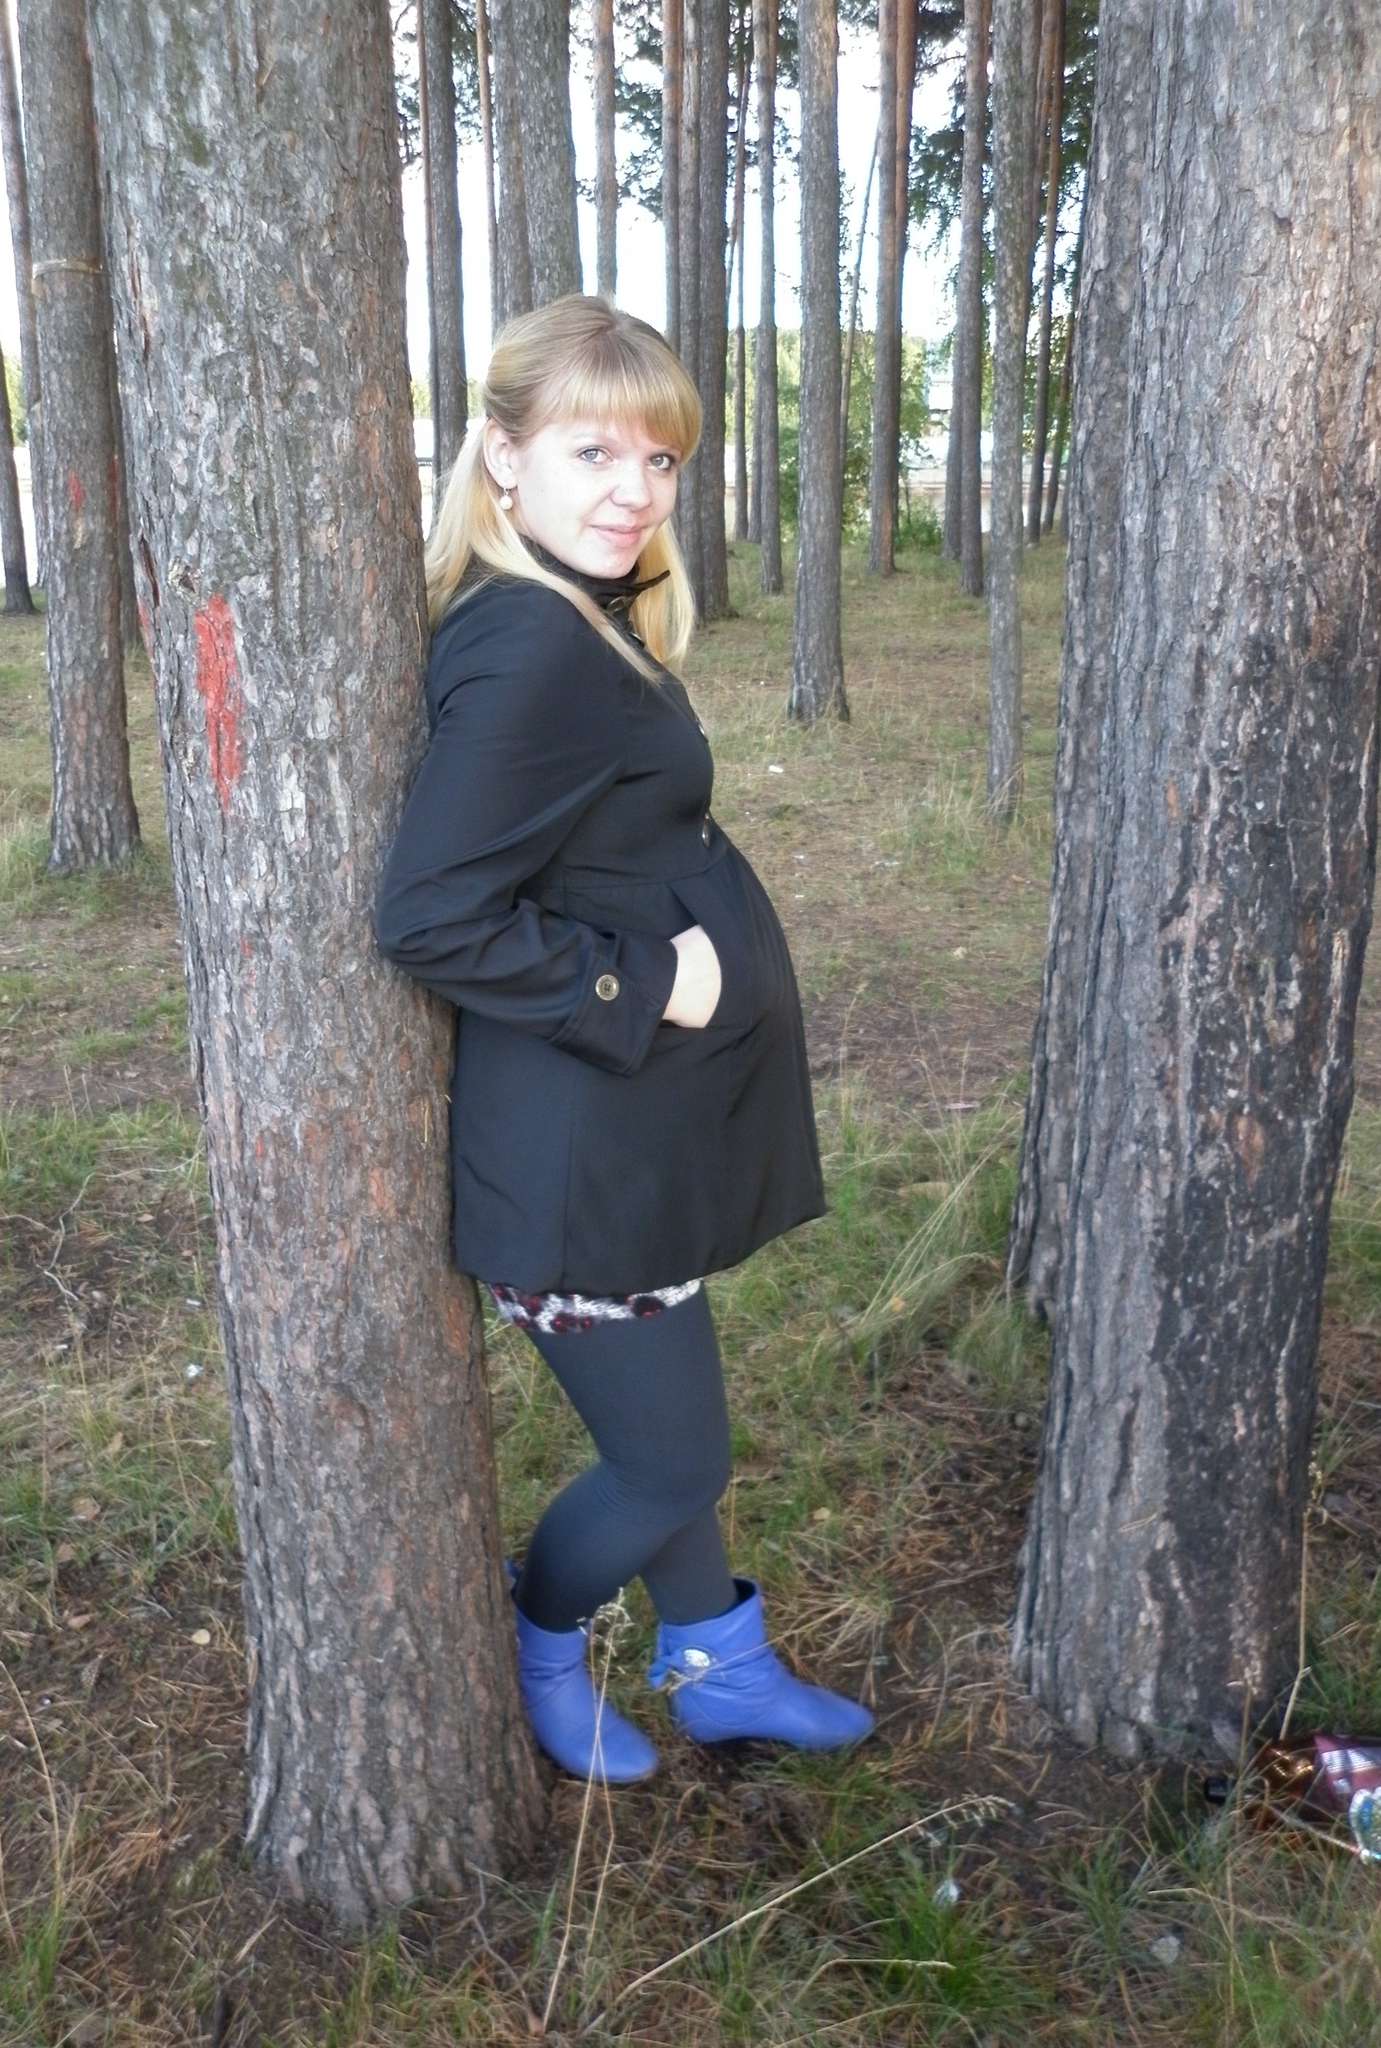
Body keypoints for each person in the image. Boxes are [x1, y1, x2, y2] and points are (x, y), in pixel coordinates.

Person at [374, 295, 873, 1782]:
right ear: (503, 457)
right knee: (671, 1458)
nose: (635, 491)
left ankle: (719, 1663)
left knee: (678, 1422)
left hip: (625, 1135)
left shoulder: (576, 611)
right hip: (573, 1155)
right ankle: (536, 1646)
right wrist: (649, 983)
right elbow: (430, 915)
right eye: (593, 452)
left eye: (658, 460)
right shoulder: (532, 641)